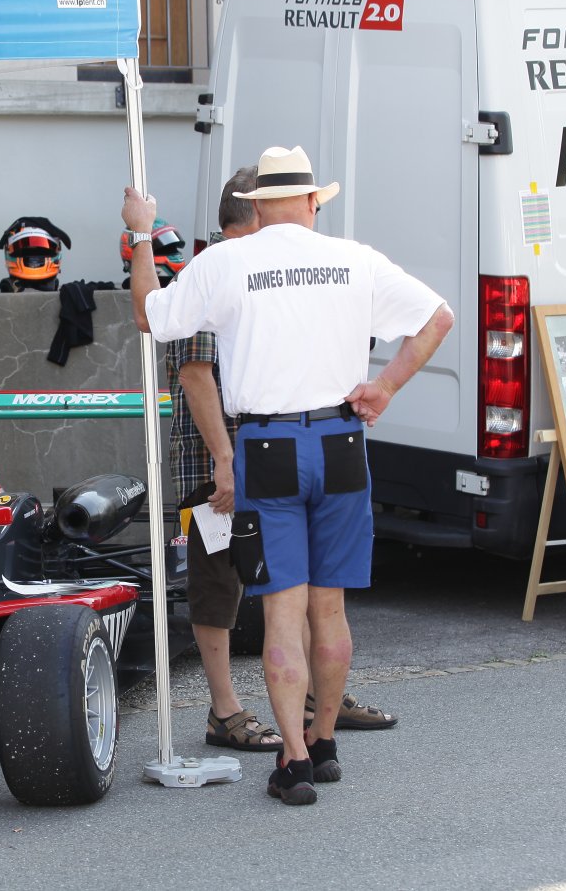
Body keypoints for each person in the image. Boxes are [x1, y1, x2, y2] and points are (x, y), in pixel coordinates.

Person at [123, 145, 453, 806]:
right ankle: (324, 740)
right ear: (309, 202)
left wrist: (139, 233)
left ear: (257, 205)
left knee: (282, 610)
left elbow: (149, 314)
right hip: (341, 438)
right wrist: (385, 386)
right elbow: (437, 318)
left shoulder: (226, 260)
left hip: (267, 444)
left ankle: (294, 762)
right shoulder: (353, 258)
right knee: (329, 607)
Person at [171, 169, 398, 756]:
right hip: (218, 457)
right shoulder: (222, 266)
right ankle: (226, 710)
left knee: (300, 588)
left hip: (277, 449)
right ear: (253, 218)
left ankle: (316, 704)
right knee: (220, 583)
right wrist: (224, 461)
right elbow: (195, 373)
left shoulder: (280, 266)